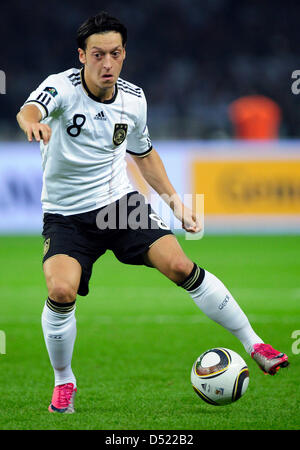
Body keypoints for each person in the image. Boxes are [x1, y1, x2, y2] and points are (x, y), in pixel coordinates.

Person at [16, 12, 288, 414]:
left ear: (124, 54)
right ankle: (64, 382)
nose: (107, 64)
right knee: (60, 291)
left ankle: (255, 344)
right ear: (82, 56)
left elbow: (142, 153)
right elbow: (29, 110)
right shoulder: (61, 87)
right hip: (67, 216)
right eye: (97, 55)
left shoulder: (133, 99)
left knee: (180, 265)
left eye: (115, 54)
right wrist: (31, 124)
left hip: (119, 206)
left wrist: (176, 203)